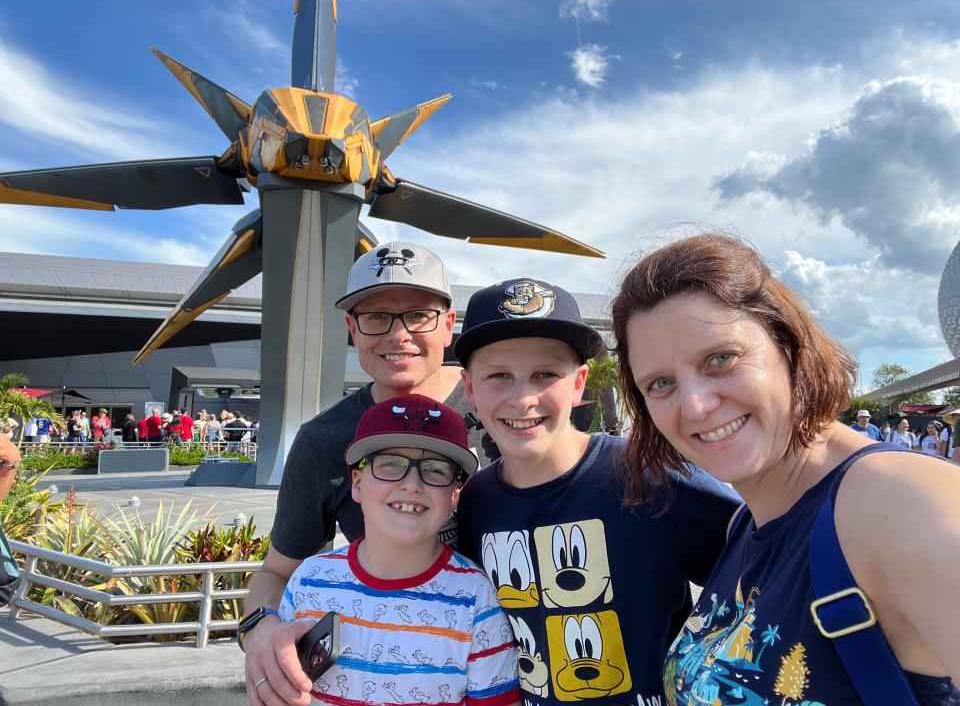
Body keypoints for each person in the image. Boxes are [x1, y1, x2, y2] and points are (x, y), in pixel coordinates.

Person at [612, 232, 960, 703]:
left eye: (721, 358)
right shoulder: (746, 520)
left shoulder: (906, 506)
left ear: (789, 347)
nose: (694, 406)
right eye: (660, 383)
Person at [454, 278, 741, 706]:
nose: (523, 398)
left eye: (545, 374)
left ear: (578, 383)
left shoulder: (648, 473)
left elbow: (765, 566)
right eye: (499, 376)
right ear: (471, 389)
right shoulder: (476, 501)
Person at [241, 242, 501, 706]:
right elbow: (278, 571)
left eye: (418, 314)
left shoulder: (502, 405)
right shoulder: (324, 440)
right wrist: (262, 629)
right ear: (351, 329)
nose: (397, 335)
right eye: (376, 317)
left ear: (448, 323)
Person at [266, 394, 521, 706]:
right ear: (357, 483)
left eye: (435, 468)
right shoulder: (309, 581)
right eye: (390, 464)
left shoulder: (475, 598)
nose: (412, 484)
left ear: (455, 494)